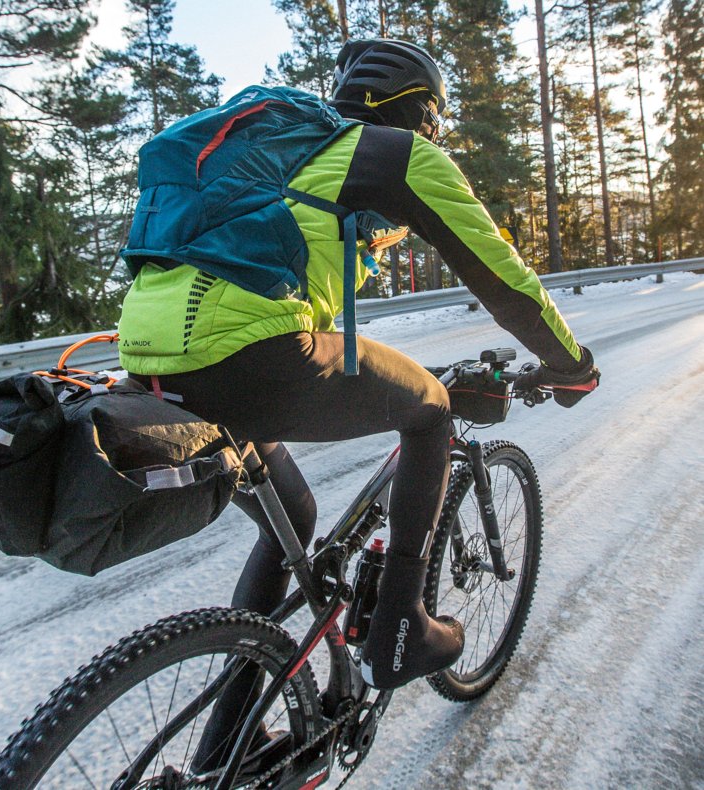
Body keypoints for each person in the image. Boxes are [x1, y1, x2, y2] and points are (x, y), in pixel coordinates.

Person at [117, 38, 599, 770]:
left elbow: (285, 288)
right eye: (432, 121)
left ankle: (221, 754)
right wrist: (571, 364)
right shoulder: (394, 154)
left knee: (294, 521)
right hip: (247, 354)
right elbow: (502, 278)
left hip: (151, 360)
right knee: (431, 408)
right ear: (421, 113)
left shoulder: (299, 153)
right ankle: (399, 628)